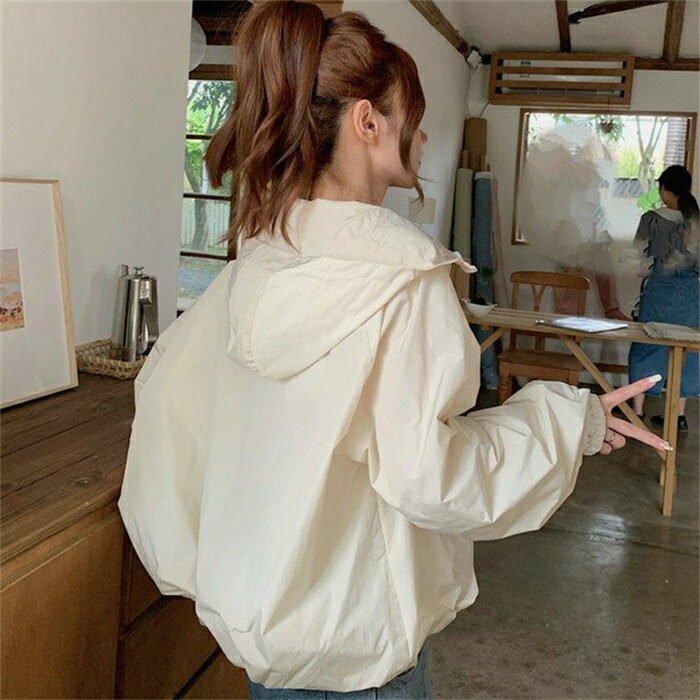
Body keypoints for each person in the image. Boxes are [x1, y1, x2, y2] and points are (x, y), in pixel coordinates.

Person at [117, 3, 671, 698]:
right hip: (361, 652)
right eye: (413, 115)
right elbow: (431, 478)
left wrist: (211, 575)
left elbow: (169, 417)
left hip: (266, 644)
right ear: (367, 121)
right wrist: (566, 423)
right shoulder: (402, 281)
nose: (425, 135)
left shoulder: (255, 265)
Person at [628, 165, 700, 432]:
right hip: (691, 295)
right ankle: (678, 416)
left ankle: (638, 411)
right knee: (686, 351)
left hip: (659, 291)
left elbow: (639, 258)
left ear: (665, 190)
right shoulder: (697, 220)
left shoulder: (651, 219)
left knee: (647, 346)